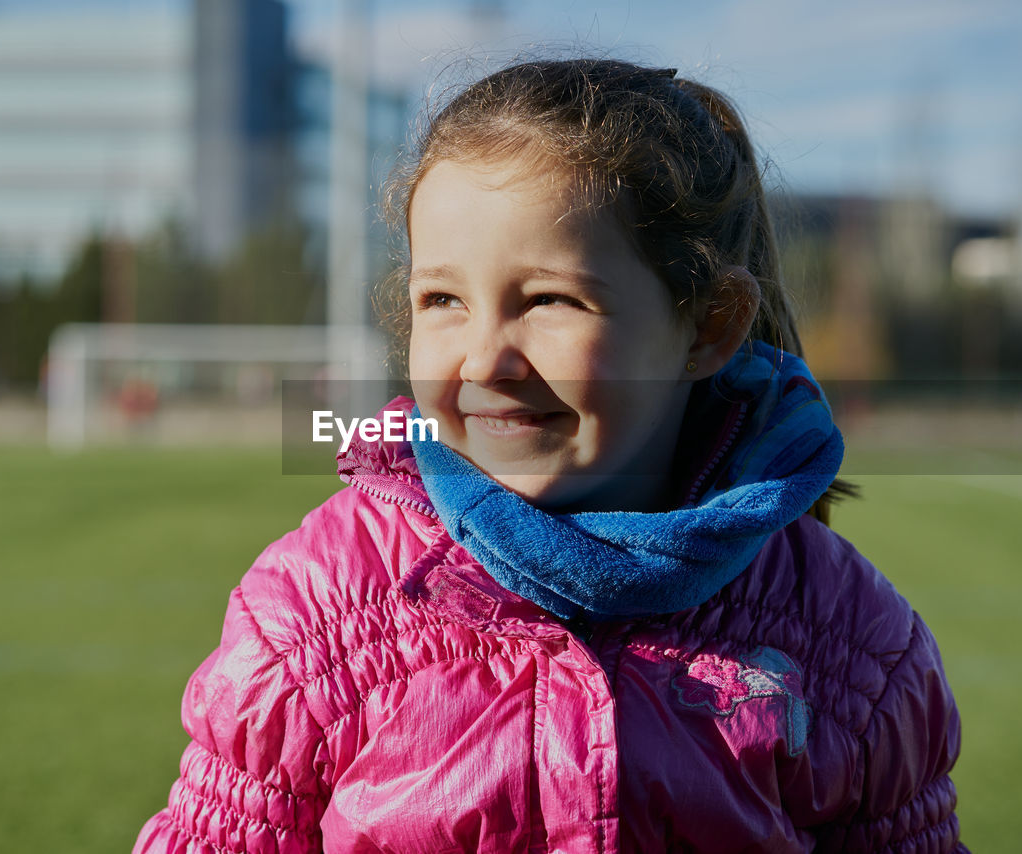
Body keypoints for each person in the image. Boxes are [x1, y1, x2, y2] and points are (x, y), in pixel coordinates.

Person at [136, 59, 965, 852]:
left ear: (710, 324)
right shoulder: (313, 611)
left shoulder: (848, 640)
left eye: (548, 300)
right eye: (443, 301)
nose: (485, 361)